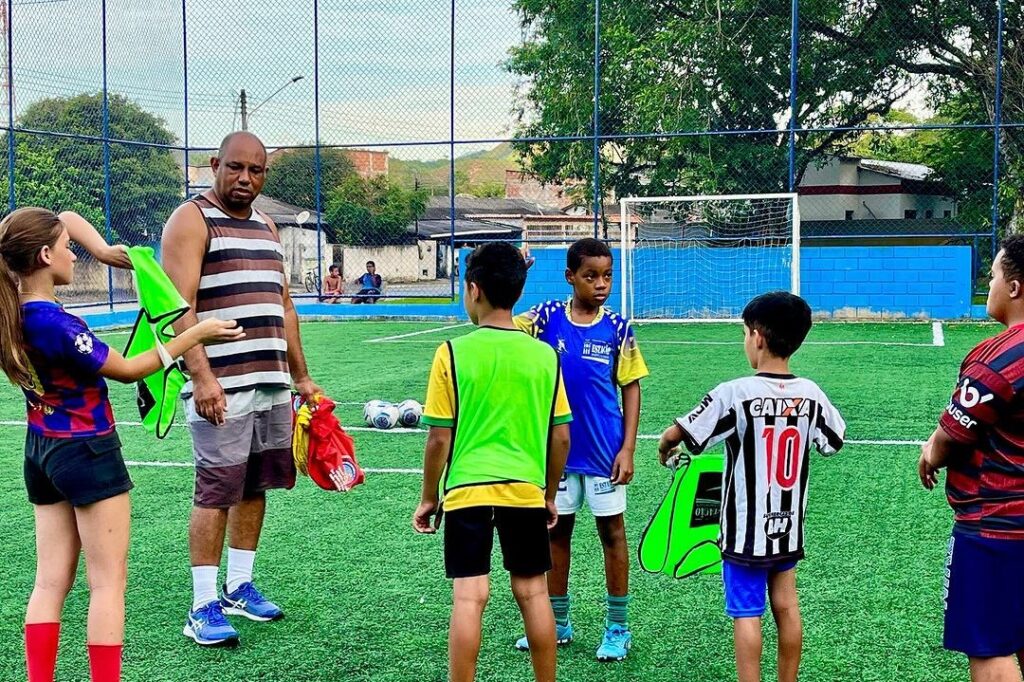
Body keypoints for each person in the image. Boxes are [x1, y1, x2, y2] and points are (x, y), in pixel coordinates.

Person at [1, 208, 242, 682]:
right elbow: (131, 370)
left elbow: (64, 216)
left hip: (41, 450)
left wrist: (105, 251)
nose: (75, 255)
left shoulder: (13, 313)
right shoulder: (57, 325)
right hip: (87, 451)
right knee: (107, 584)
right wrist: (196, 332)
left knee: (49, 583)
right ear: (45, 255)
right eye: (68, 248)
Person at [162, 131, 323, 648]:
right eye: (235, 167)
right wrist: (201, 376)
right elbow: (177, 307)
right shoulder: (191, 219)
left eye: (255, 170)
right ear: (215, 164)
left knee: (255, 485)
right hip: (222, 385)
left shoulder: (267, 225)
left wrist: (300, 376)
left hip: (270, 380)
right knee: (216, 490)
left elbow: (285, 307)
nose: (245, 179)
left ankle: (238, 586)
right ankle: (202, 605)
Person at [657, 292, 845, 682]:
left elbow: (681, 431)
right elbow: (833, 440)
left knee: (747, 614)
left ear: (757, 337)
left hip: (745, 530)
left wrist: (664, 446)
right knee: (787, 607)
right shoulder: (811, 394)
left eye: (744, 334)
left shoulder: (735, 393)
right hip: (787, 526)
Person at [412, 241, 572, 682]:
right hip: (525, 490)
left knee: (470, 596)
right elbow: (561, 436)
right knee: (533, 593)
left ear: (474, 290)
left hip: (467, 491)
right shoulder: (544, 355)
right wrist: (548, 494)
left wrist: (429, 498)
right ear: (517, 292)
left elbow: (439, 438)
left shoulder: (451, 352)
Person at [512, 238, 648, 662]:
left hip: (605, 452)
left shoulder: (619, 327)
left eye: (607, 276)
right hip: (556, 453)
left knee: (612, 534)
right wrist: (516, 275)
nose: (601, 284)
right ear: (570, 276)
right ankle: (558, 622)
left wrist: (628, 448)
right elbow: (497, 322)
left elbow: (631, 388)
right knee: (556, 533)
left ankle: (618, 627)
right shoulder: (546, 317)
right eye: (591, 276)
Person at [919, 236, 1024, 682]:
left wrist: (931, 451)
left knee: (990, 650)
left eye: (994, 275)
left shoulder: (999, 355)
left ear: (1014, 287)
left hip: (997, 525)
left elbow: (950, 436)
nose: (989, 284)